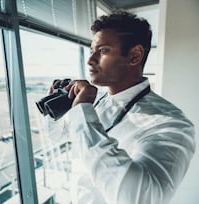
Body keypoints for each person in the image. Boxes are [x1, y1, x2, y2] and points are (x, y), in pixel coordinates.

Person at [46, 10, 196, 204]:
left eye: (103, 51)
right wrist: (56, 111)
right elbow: (61, 135)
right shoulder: (97, 101)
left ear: (134, 56)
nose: (90, 60)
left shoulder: (172, 124)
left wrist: (81, 111)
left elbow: (140, 198)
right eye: (92, 50)